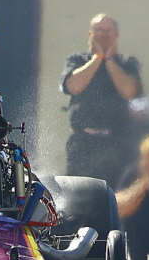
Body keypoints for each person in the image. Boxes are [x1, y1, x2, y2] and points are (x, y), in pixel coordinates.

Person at [60, 13, 142, 186]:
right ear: (90, 34)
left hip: (117, 143)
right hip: (83, 144)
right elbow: (73, 86)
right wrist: (97, 58)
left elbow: (129, 91)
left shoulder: (127, 63)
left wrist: (110, 60)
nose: (103, 35)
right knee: (78, 196)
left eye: (108, 31)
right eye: (98, 30)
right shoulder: (77, 60)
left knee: (115, 196)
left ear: (116, 35)